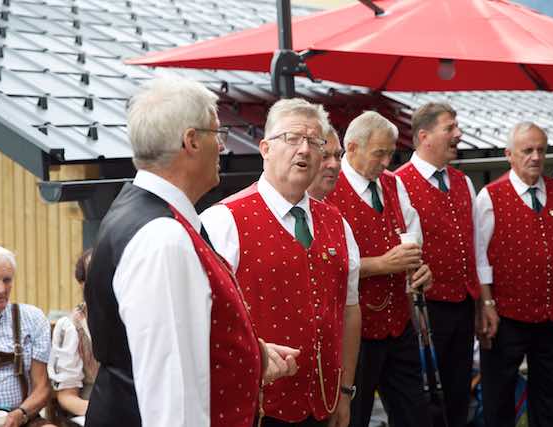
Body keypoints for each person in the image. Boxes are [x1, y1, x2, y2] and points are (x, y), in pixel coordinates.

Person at [83, 76, 299, 427]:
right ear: (192, 141)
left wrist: (250, 353)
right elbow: (172, 395)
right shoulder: (163, 237)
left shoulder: (148, 215)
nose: (222, 147)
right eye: (217, 134)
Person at [201, 98, 361, 427]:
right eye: (292, 138)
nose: (304, 150)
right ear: (265, 148)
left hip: (325, 403)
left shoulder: (337, 223)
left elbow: (348, 308)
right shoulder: (222, 221)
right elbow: (205, 322)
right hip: (256, 407)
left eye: (315, 142)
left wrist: (345, 391)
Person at [476, 122, 553, 427]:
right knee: (499, 398)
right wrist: (486, 306)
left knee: (552, 398)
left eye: (541, 150)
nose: (536, 157)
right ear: (509, 155)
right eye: (527, 150)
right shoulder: (490, 196)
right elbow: (480, 258)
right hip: (507, 317)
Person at [325, 111, 433, 427]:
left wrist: (420, 270)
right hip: (355, 331)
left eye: (390, 153)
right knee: (355, 416)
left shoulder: (393, 183)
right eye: (379, 153)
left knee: (415, 414)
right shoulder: (328, 187)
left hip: (398, 323)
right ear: (352, 148)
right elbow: (327, 264)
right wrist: (382, 264)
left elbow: (413, 238)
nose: (386, 162)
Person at [394, 102, 482, 427]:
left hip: (463, 304)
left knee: (459, 391)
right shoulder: (398, 183)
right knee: (424, 398)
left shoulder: (463, 182)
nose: (459, 134)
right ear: (424, 136)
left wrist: (481, 302)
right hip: (424, 310)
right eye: (450, 128)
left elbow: (475, 246)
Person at [0, 245, 53, 427]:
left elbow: (42, 387)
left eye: (7, 280)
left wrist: (21, 414)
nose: (1, 288)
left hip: (22, 419)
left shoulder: (32, 318)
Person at [47, 249, 97, 426]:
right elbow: (67, 397)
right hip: (92, 410)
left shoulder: (135, 318)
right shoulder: (72, 327)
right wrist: (106, 413)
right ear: (82, 283)